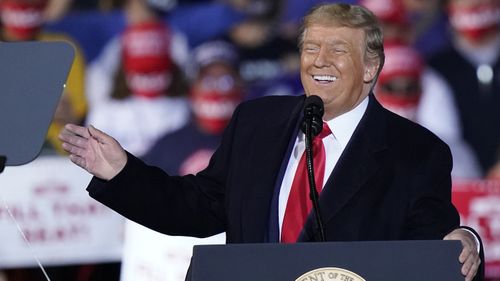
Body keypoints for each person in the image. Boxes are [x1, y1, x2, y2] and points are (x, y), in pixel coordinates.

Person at [59, 3, 483, 281]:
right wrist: (121, 171)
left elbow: (433, 253)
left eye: (338, 50)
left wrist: (466, 243)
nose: (319, 60)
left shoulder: (416, 152)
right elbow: (199, 207)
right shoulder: (257, 122)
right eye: (311, 47)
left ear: (371, 66)